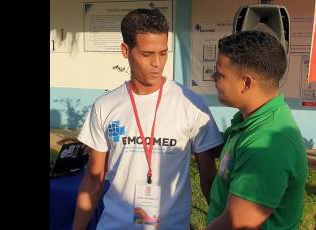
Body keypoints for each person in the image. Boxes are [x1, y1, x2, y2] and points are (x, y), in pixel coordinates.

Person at [72, 8, 223, 230]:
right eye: (147, 54)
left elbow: (209, 179)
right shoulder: (105, 106)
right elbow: (94, 178)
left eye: (163, 53)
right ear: (125, 50)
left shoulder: (192, 105)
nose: (157, 63)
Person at [206, 30, 308, 230]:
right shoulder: (249, 119)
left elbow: (236, 224)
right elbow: (219, 147)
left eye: (220, 74)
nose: (212, 77)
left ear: (246, 83)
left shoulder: (269, 143)